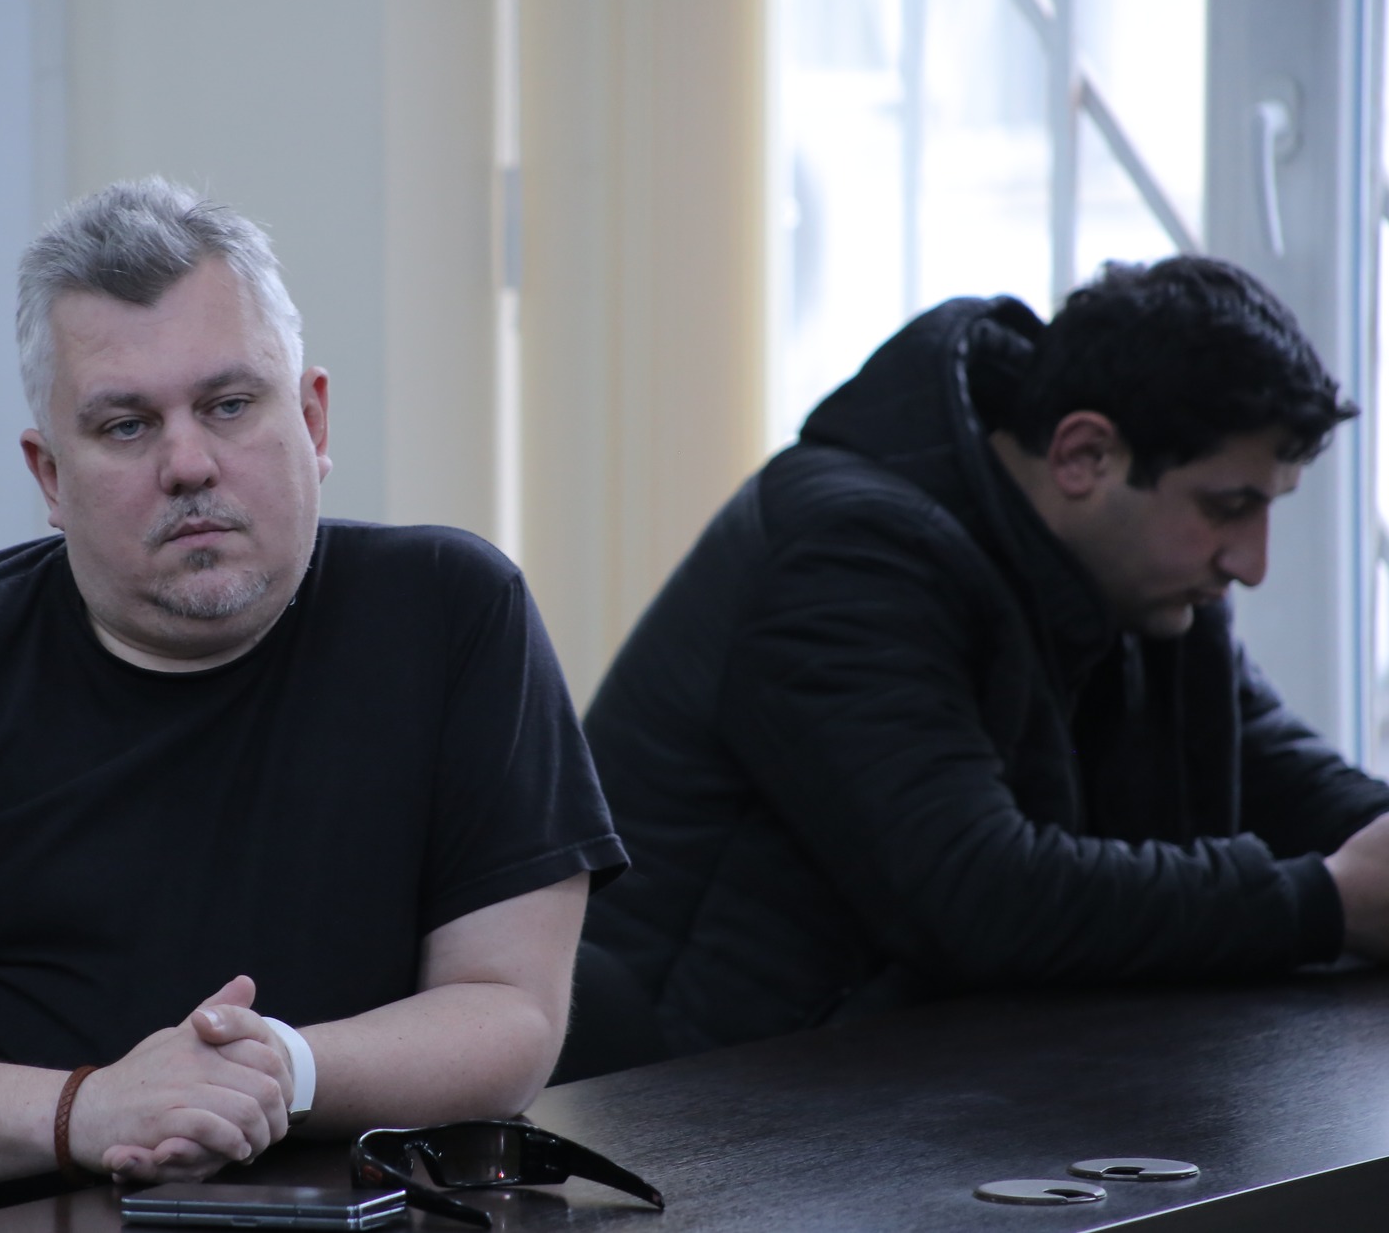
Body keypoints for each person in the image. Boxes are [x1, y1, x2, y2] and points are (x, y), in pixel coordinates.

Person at [0, 178, 624, 1233]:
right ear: (50, 477)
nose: (188, 463)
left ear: (312, 419)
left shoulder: (450, 616)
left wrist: (279, 1069)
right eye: (125, 424)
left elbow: (508, 1011)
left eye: (229, 405)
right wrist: (89, 1109)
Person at [582, 256, 1389, 1057]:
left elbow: (1281, 773)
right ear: (1082, 455)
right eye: (1228, 506)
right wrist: (1323, 903)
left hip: (908, 1081)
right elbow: (976, 891)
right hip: (696, 1098)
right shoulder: (844, 558)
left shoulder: (1146, 579)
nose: (1251, 561)